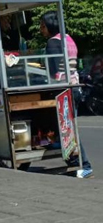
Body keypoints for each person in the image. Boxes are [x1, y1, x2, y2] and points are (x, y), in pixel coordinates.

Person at [39, 11, 93, 179]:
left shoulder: (52, 43)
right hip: (74, 87)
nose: (41, 29)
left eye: (42, 25)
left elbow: (54, 72)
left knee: (68, 129)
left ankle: (84, 165)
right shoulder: (69, 39)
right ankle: (71, 159)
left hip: (63, 89)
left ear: (49, 25)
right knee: (67, 127)